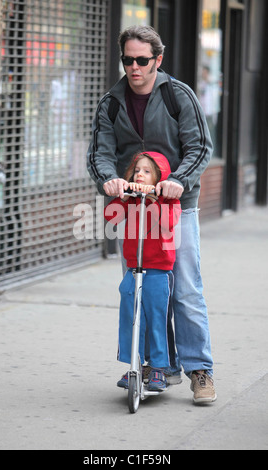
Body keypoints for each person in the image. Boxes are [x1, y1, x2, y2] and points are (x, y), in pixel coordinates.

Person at [87, 25, 217, 404]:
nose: (134, 67)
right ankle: (155, 365)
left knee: (186, 291)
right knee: (142, 291)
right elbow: (100, 152)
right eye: (127, 60)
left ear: (157, 60)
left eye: (142, 60)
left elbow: (200, 146)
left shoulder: (179, 96)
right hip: (135, 210)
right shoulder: (111, 102)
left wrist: (179, 179)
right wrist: (108, 178)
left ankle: (199, 370)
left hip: (177, 207)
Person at [104, 151, 181, 391]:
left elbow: (169, 223)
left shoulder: (169, 201)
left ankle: (159, 368)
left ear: (160, 177)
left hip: (158, 270)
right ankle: (134, 366)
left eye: (147, 171)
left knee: (157, 318)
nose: (140, 174)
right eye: (137, 170)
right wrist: (124, 199)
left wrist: (155, 200)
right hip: (133, 268)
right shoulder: (131, 199)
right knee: (131, 317)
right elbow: (110, 218)